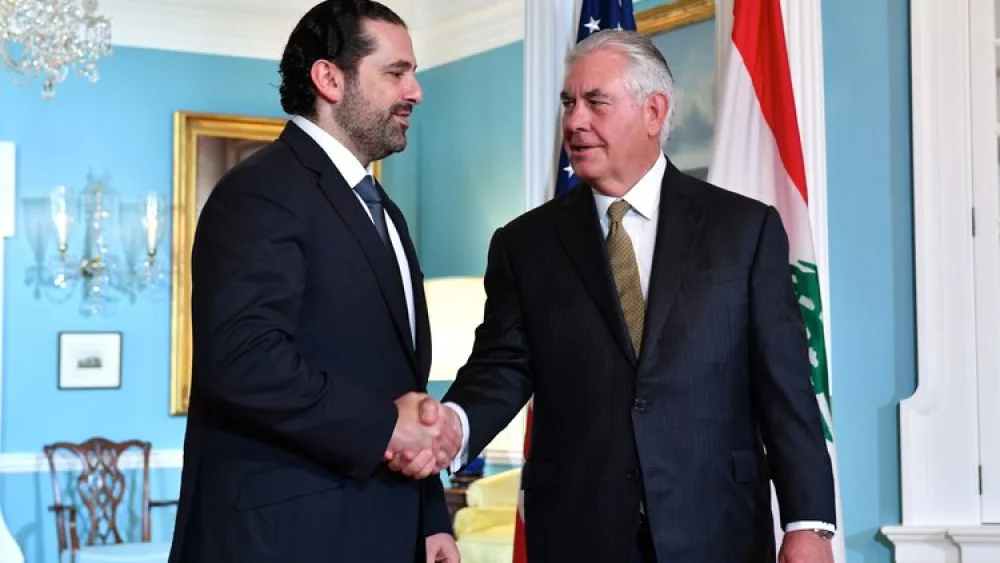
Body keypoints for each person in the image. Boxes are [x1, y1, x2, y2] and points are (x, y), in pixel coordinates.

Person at [389, 29, 837, 563]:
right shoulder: (524, 245)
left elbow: (786, 387)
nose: (575, 121)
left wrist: (808, 524)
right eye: (568, 103)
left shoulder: (744, 229)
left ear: (654, 112)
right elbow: (501, 368)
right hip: (580, 531)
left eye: (596, 102)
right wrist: (453, 430)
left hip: (719, 529)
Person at [168, 2, 459, 562]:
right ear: (329, 78)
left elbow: (399, 382)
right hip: (284, 540)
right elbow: (242, 359)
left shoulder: (385, 211)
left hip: (384, 532)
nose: (416, 91)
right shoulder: (259, 191)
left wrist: (429, 517)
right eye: (396, 72)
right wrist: (383, 426)